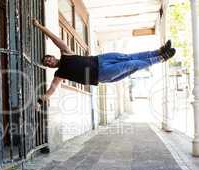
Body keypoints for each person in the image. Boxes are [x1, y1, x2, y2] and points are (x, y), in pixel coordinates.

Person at [33, 19, 176, 106]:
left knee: (129, 57)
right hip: (101, 74)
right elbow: (51, 90)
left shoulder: (65, 53)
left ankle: (159, 51)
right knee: (130, 65)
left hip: (101, 59)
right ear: (49, 67)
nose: (49, 61)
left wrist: (39, 26)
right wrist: (41, 100)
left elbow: (54, 38)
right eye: (47, 63)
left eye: (48, 58)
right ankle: (161, 58)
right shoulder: (59, 74)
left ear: (52, 56)